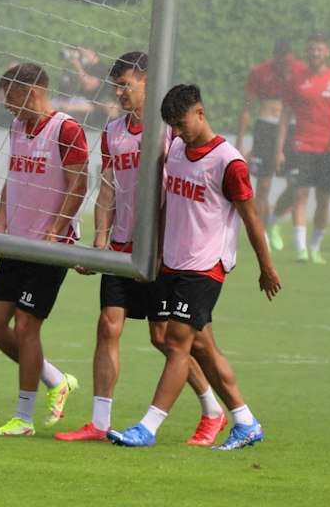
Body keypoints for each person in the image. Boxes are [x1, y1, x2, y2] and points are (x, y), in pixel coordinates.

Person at [55, 52, 229, 445]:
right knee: (107, 325)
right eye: (115, 85)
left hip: (162, 252)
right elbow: (107, 191)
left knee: (165, 338)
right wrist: (99, 243)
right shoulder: (113, 132)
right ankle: (100, 423)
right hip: (121, 245)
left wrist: (173, 245)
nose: (119, 92)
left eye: (126, 85)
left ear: (147, 83)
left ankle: (212, 409)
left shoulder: (169, 133)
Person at [109, 84, 281, 450]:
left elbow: (251, 218)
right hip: (172, 262)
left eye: (180, 122)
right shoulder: (174, 150)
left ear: (200, 114)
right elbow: (169, 205)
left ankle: (148, 426)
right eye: (171, 125)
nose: (176, 131)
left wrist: (266, 267)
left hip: (205, 267)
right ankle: (245, 421)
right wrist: (156, 252)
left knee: (175, 342)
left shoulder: (228, 161)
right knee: (202, 348)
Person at [0, 62, 86, 437]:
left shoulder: (67, 129)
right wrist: (0, 220)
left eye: (11, 96)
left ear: (33, 93)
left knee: (26, 326)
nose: (6, 103)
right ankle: (57, 380)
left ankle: (23, 418)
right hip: (16, 242)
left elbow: (78, 184)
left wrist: (56, 231)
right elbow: (13, 177)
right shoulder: (17, 126)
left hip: (48, 247)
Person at [275, 33, 330, 263]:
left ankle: (315, 247)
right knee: (299, 195)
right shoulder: (296, 80)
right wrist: (279, 149)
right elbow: (285, 116)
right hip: (301, 146)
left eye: (320, 49)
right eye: (312, 49)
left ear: (327, 51)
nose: (315, 53)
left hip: (328, 150)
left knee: (323, 201)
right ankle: (301, 249)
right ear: (307, 51)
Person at [238, 38, 305, 250]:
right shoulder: (260, 72)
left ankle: (274, 220)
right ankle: (262, 231)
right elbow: (247, 107)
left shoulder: (300, 71)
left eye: (287, 61)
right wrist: (239, 142)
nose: (284, 65)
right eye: (280, 61)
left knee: (296, 185)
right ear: (274, 57)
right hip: (266, 126)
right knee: (264, 184)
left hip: (292, 128)